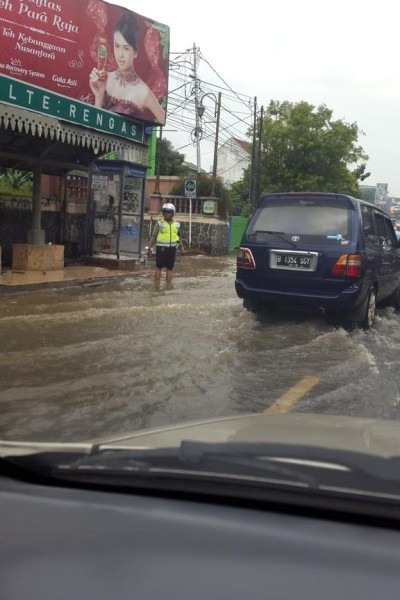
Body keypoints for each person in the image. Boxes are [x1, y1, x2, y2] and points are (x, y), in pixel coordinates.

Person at [89, 12, 165, 124]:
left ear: (136, 52)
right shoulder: (104, 78)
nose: (120, 54)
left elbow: (163, 119)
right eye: (117, 46)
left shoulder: (143, 92)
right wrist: (99, 96)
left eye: (126, 48)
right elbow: (94, 125)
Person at [148, 203, 182, 282]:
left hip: (172, 249)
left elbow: (179, 237)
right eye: (165, 212)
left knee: (169, 268)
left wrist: (181, 248)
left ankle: (169, 286)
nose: (167, 214)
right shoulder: (159, 223)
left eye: (169, 212)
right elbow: (154, 235)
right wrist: (150, 247)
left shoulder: (177, 224)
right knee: (159, 267)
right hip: (161, 249)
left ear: (173, 213)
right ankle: (156, 285)